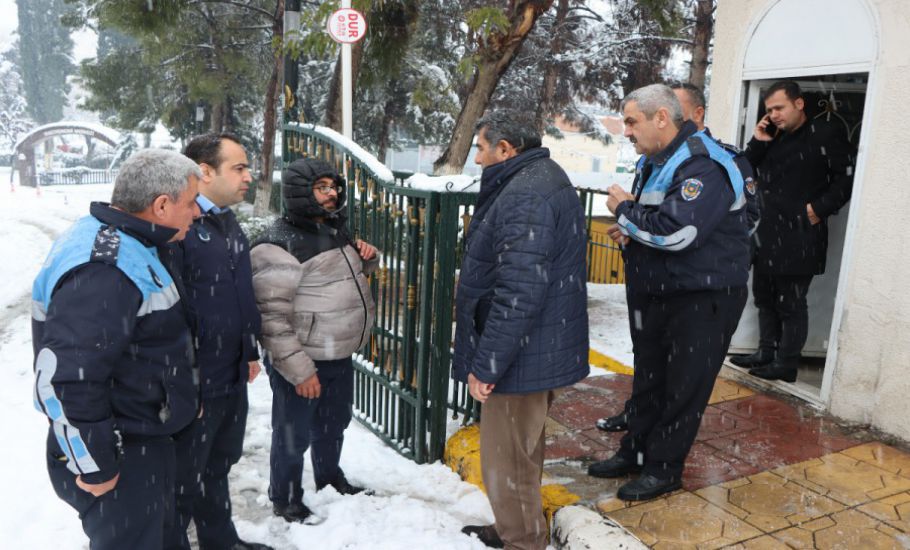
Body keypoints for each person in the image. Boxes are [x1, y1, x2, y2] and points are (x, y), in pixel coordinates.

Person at [32, 149, 202, 550]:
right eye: (191, 202)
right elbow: (69, 378)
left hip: (142, 441)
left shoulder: (136, 241)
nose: (197, 212)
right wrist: (97, 466)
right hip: (123, 454)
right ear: (161, 205)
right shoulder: (104, 267)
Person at [586, 84, 750, 501]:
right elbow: (655, 219)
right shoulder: (654, 161)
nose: (625, 131)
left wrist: (623, 209)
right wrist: (632, 231)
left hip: (702, 296)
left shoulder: (704, 163)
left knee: (683, 386)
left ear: (661, 118)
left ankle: (663, 469)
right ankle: (636, 453)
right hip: (659, 291)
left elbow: (679, 232)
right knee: (649, 379)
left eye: (630, 121)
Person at [454, 112, 590, 550]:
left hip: (521, 352)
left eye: (480, 147)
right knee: (521, 450)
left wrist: (489, 363)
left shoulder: (525, 193)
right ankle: (517, 527)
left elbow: (519, 290)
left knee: (507, 455)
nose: (477, 157)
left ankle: (522, 541)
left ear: (506, 148)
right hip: (536, 345)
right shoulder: (539, 177)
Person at [250, 157, 378, 524]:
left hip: (336, 353)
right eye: (322, 188)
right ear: (300, 192)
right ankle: (286, 498)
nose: (332, 194)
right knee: (292, 434)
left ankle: (329, 477)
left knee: (333, 423)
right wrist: (299, 370)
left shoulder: (334, 229)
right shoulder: (277, 244)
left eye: (333, 186)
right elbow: (272, 320)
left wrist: (366, 259)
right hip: (303, 359)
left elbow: (336, 279)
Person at [166, 134, 270, 550]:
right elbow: (175, 311)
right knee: (182, 480)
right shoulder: (181, 227)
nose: (249, 176)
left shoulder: (226, 220)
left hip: (230, 372)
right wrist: (189, 380)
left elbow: (237, 291)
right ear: (204, 172)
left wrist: (248, 350)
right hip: (198, 379)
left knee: (218, 464)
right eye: (239, 168)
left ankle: (220, 541)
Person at [731, 80, 854, 382]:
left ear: (799, 104)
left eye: (778, 108)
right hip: (767, 231)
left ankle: (786, 363)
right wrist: (759, 139)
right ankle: (765, 351)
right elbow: (743, 170)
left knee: (791, 303)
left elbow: (846, 179)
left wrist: (817, 210)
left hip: (800, 234)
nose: (773, 115)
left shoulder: (825, 133)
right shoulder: (773, 136)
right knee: (763, 297)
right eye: (769, 110)